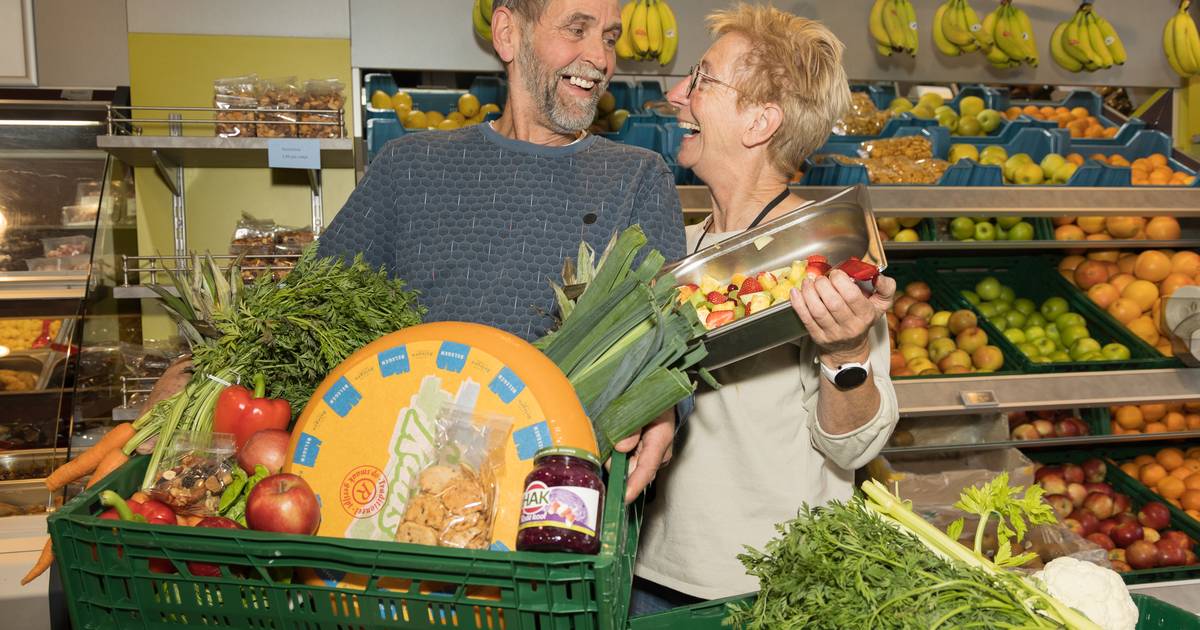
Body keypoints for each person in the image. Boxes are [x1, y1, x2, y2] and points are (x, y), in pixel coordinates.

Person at [316, 0, 682, 502]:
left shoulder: (638, 179)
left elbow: (662, 335)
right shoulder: (409, 168)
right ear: (508, 34)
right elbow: (314, 308)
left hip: (552, 500)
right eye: (577, 29)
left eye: (610, 37)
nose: (599, 58)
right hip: (400, 483)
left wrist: (663, 409)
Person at [632, 4, 900, 611]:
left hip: (769, 587)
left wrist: (847, 352)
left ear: (760, 119)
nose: (678, 95)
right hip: (648, 568)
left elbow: (854, 448)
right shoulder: (683, 246)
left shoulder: (827, 255)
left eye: (702, 80)